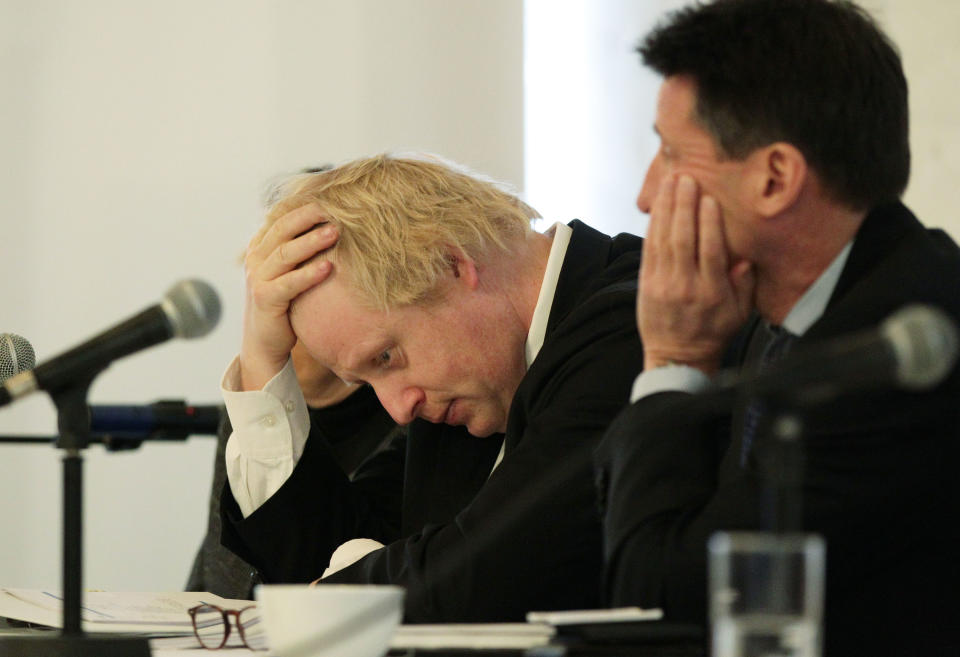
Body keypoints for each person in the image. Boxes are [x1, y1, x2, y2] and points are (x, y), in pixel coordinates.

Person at [595, 0, 960, 654]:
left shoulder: (890, 348)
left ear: (774, 178)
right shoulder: (772, 316)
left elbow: (659, 604)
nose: (647, 196)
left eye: (671, 152)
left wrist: (674, 356)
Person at [218, 154, 644, 621]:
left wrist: (330, 599)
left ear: (451, 264)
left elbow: (504, 566)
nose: (398, 409)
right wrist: (262, 362)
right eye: (366, 381)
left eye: (385, 358)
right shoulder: (475, 384)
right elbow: (323, 562)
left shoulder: (635, 323)